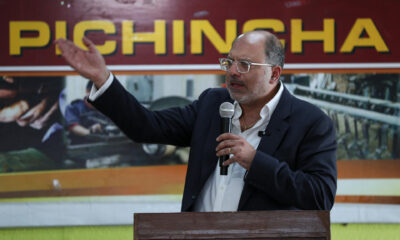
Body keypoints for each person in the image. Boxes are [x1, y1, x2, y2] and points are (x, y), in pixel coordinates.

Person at [55, 30, 337, 211]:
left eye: (245, 65)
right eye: (229, 62)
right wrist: (103, 79)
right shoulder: (213, 104)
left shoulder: (311, 122)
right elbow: (146, 126)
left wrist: (254, 161)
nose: (233, 72)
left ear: (274, 74)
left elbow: (320, 196)